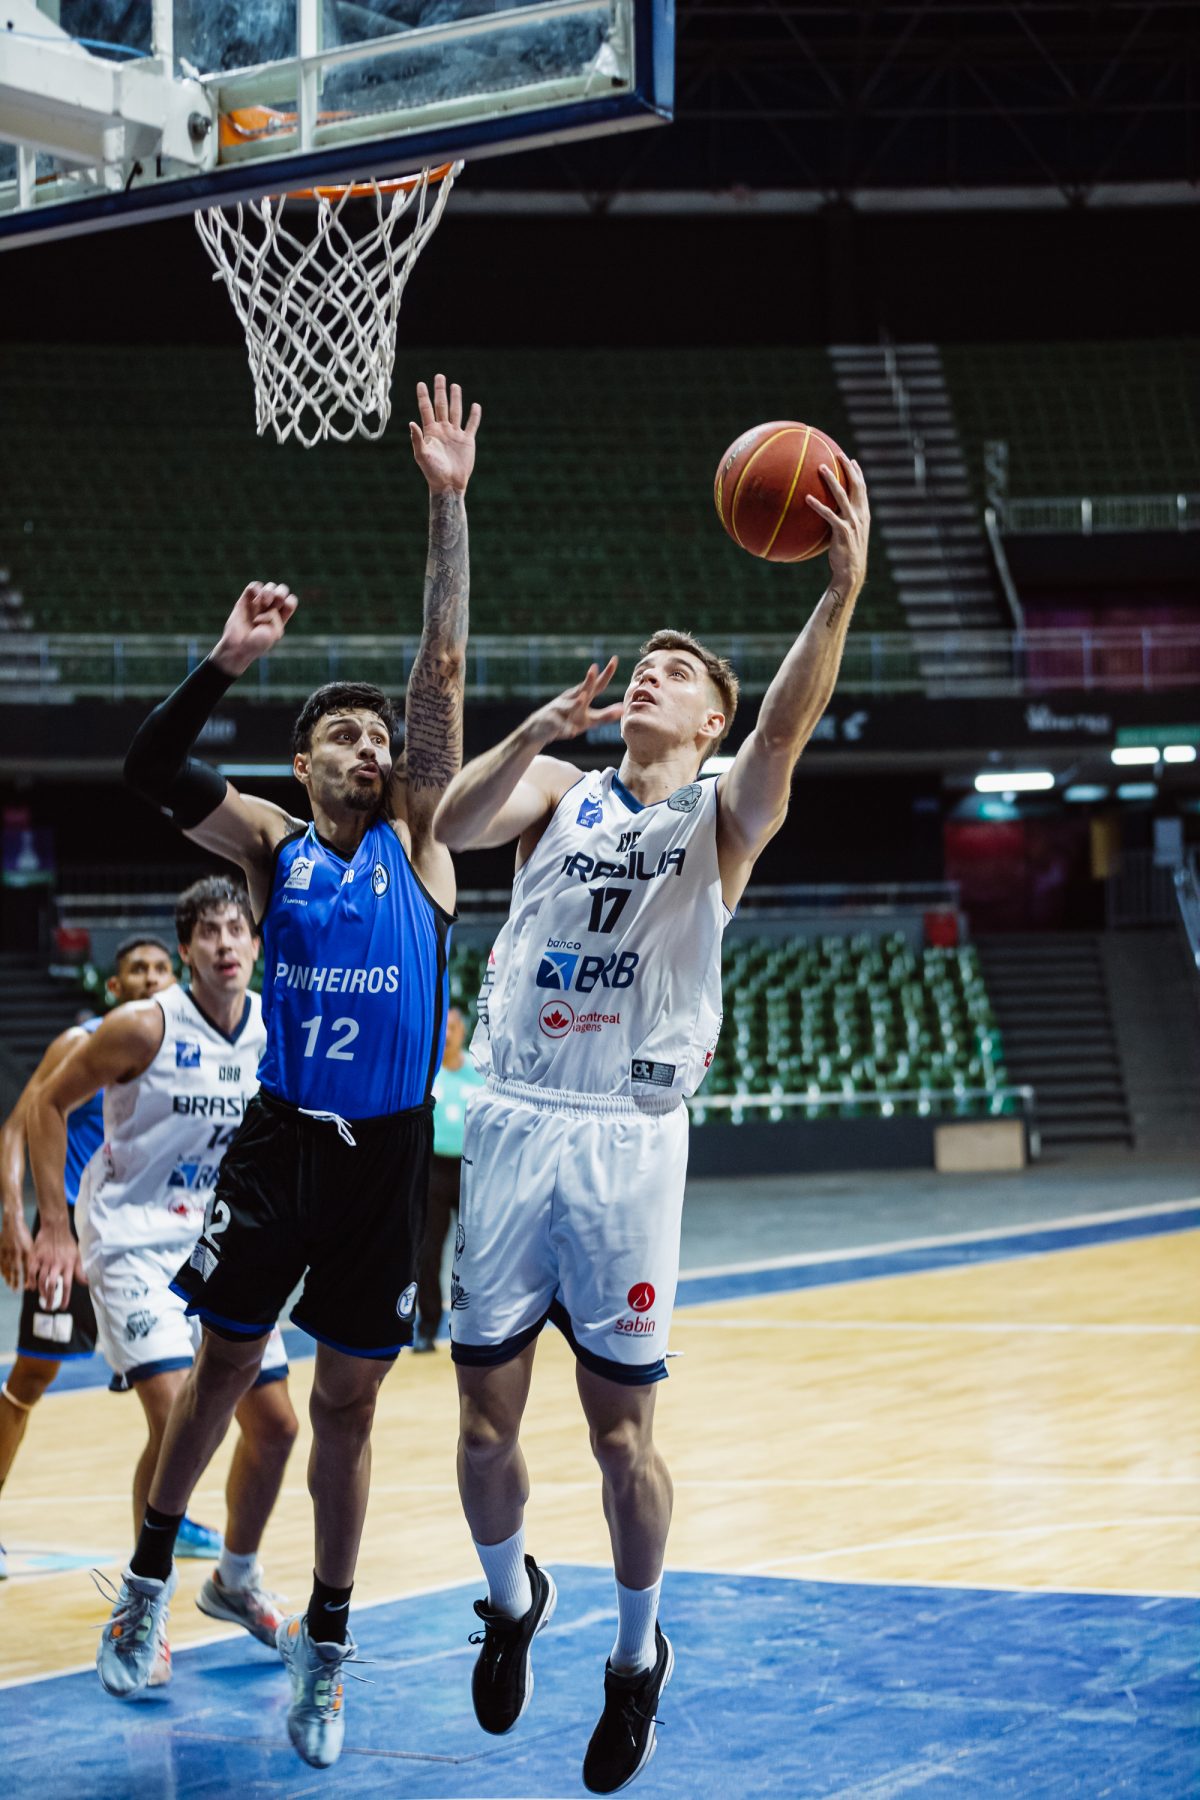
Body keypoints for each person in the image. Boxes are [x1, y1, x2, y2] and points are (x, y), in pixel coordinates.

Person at [33, 374, 479, 1765]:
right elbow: (147, 766)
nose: (370, 747)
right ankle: (149, 1581)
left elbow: (441, 673)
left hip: (387, 1156)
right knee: (223, 1374)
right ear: (302, 762)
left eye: (378, 738)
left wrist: (448, 505)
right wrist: (224, 656)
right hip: (284, 1141)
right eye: (343, 735)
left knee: (345, 1405)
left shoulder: (423, 841)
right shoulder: (272, 846)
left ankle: (327, 1648)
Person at [433, 457, 870, 1792]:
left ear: (711, 717)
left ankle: (635, 1660)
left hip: (626, 1138)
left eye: (679, 672)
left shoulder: (721, 809)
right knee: (483, 1421)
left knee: (621, 1435)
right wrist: (532, 729)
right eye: (648, 666)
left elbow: (784, 733)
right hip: (513, 1119)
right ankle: (511, 1602)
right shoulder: (560, 791)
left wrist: (839, 594)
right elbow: (447, 821)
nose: (652, 677)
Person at [27, 879, 298, 1687]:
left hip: (222, 1243)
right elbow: (45, 1104)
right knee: (179, 1412)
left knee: (278, 1427)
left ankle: (236, 1579)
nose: (225, 943)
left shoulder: (274, 1026)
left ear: (256, 944)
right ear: (186, 950)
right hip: (133, 1241)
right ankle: (148, 1603)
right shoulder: (143, 1025)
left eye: (237, 929)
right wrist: (52, 1224)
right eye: (208, 931)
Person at [0, 936, 225, 1575]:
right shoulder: (82, 1042)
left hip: (150, 1235)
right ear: (115, 986)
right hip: (71, 1232)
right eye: (136, 969)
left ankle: (168, 1517)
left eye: (160, 967)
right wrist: (17, 1219)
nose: (150, 977)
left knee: (179, 1392)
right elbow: (16, 1127)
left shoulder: (187, 1050)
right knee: (32, 1377)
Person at [413, 1005, 485, 1352]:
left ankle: (479, 1324)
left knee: (478, 1251)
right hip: (433, 1171)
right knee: (428, 1252)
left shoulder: (479, 1073)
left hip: (472, 1171)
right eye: (442, 1029)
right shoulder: (425, 1073)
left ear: (463, 1032)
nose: (447, 1036)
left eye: (453, 1028)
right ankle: (427, 1326)